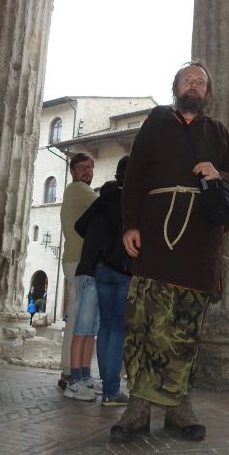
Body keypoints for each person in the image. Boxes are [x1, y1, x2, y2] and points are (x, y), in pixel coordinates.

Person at [111, 61, 229, 442]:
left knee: (186, 328)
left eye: (201, 82)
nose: (194, 85)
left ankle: (179, 408)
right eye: (188, 79)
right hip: (153, 236)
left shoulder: (218, 133)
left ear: (208, 93)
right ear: (175, 87)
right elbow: (133, 177)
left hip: (200, 243)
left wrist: (219, 175)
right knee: (143, 324)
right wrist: (129, 225)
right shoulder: (155, 123)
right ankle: (137, 407)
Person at [74, 155, 131, 406]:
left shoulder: (105, 197)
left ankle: (105, 385)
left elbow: (80, 225)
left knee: (105, 328)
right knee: (118, 328)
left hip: (102, 270)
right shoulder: (133, 200)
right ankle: (111, 390)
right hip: (125, 270)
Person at [58, 152, 97, 390]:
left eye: (91, 168)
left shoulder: (82, 193)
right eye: (82, 167)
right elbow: (104, 205)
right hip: (77, 261)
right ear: (72, 171)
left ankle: (78, 371)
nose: (87, 172)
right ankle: (68, 371)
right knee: (77, 319)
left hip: (79, 260)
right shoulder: (77, 190)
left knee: (84, 319)